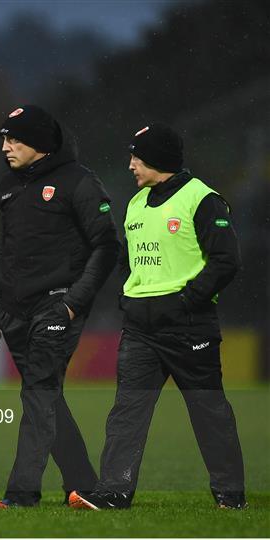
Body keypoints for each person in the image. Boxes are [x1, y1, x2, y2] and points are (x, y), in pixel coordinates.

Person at [69, 123, 246, 510]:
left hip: (188, 326)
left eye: (137, 157)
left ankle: (229, 494)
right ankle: (114, 492)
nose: (130, 164)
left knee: (208, 411)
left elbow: (226, 261)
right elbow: (129, 260)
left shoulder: (203, 199)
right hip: (139, 327)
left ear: (159, 160)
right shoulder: (135, 202)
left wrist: (186, 300)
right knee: (127, 411)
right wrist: (131, 295)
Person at [0, 105, 120, 508]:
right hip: (14, 311)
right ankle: (83, 484)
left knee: (39, 394)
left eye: (15, 139)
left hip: (56, 307)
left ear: (42, 145)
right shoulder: (8, 187)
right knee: (44, 396)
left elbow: (106, 246)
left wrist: (72, 303)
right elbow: (4, 251)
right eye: (4, 139)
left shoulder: (79, 182)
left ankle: (21, 494)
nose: (6, 147)